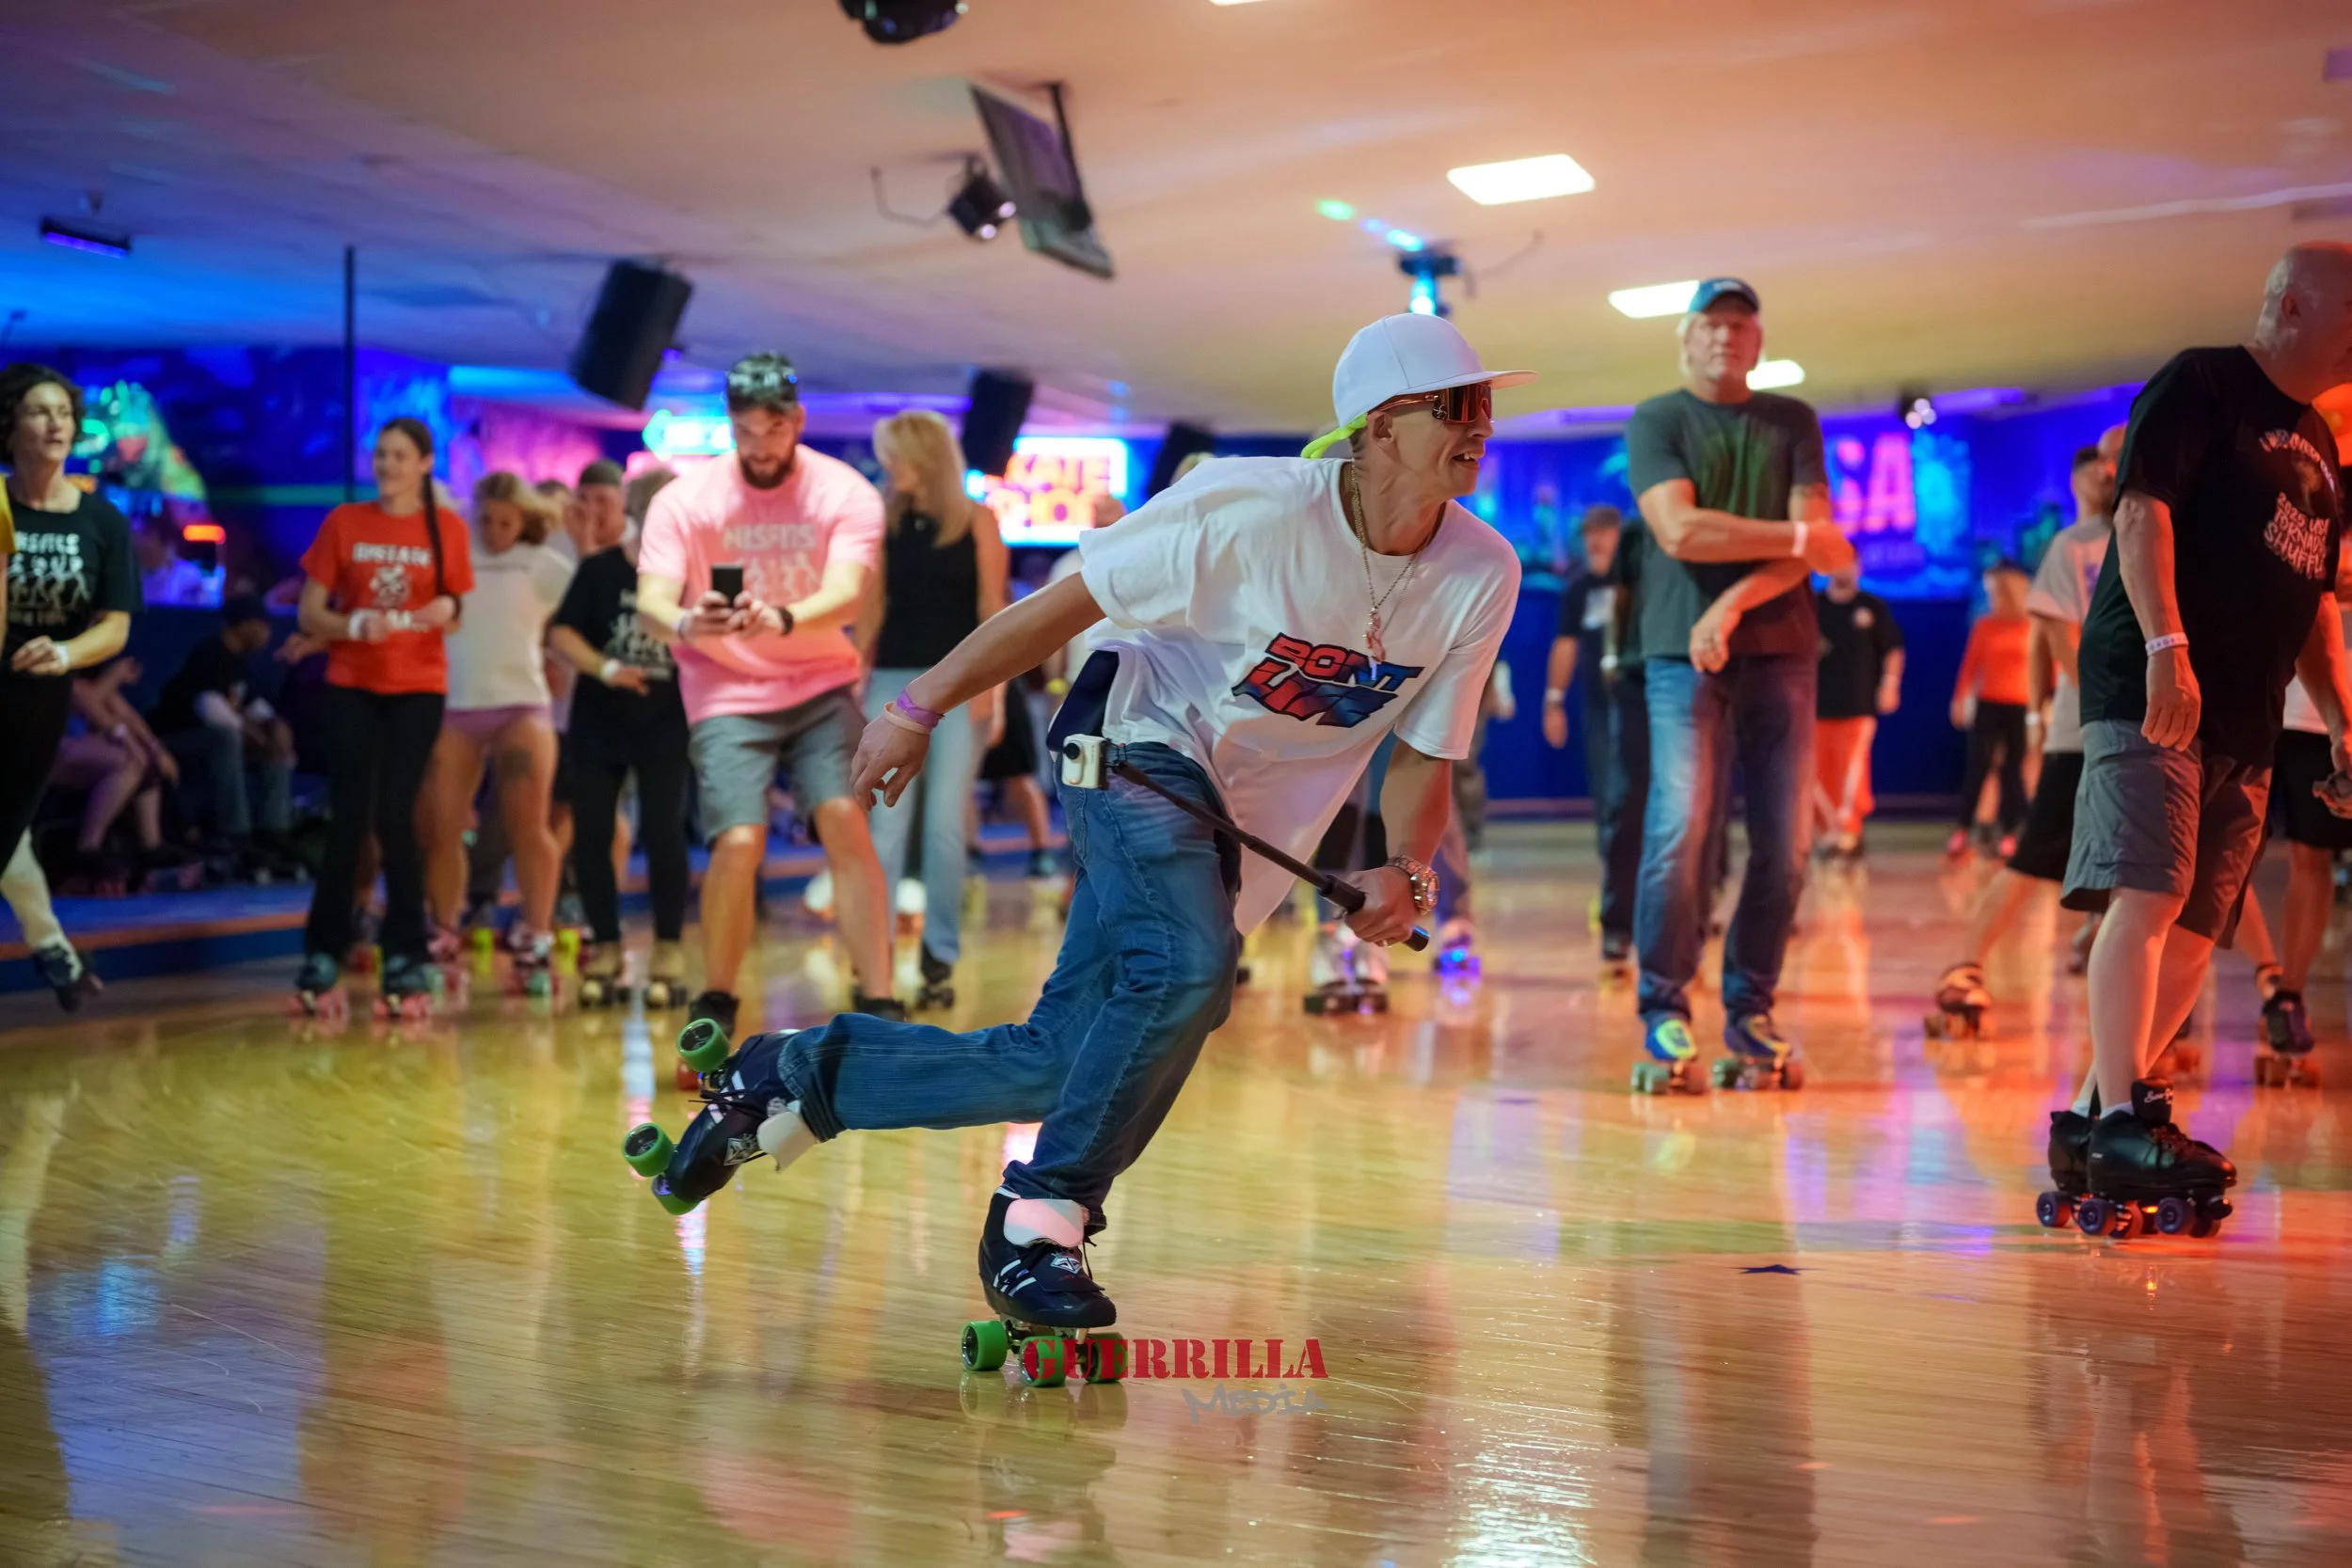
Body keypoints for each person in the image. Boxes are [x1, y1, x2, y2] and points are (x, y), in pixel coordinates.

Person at [631, 313, 1521, 1336]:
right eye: (1450, 404)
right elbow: (1062, 604)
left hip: (1248, 823)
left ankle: (787, 1073)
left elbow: (1422, 751)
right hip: (1135, 738)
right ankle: (1038, 1219)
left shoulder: (1479, 572)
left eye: (1484, 403)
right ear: (1372, 429)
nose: (1477, 422)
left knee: (1069, 1056)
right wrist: (917, 706)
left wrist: (1404, 867)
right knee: (1187, 967)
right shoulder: (1248, 506)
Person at [2055, 242, 2352, 1221]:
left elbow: (2311, 600)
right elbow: (2143, 515)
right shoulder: (2201, 382)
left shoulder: (2318, 444)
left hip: (2249, 708)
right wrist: (2163, 646)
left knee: (2198, 920)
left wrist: (2344, 716)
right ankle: (2117, 1123)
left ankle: (2098, 1111)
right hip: (2153, 686)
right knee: (2145, 890)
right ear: (2292, 307)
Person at [1623, 278, 1856, 1089]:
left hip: (1782, 649)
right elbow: (1678, 527)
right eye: (1711, 324)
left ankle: (1751, 1006)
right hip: (1676, 656)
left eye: (1740, 325)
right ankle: (1664, 1011)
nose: (1726, 336)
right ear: (1686, 337)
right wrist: (1797, 534)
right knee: (1680, 833)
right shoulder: (1657, 419)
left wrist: (1729, 599)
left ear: (1758, 341)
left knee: (1786, 847)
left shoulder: (1792, 420)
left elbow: (1815, 552)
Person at [635, 352, 898, 1034]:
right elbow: (651, 605)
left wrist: (781, 616)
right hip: (725, 686)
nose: (760, 445)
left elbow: (846, 591)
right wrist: (689, 621)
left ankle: (878, 997)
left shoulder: (844, 492)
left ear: (797, 421)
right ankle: (715, 1004)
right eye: (746, 431)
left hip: (820, 681)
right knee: (740, 839)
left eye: (773, 429)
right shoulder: (684, 501)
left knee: (843, 816)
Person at [1930, 435, 2123, 1034]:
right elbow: (2056, 641)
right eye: (2095, 462)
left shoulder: (2160, 535)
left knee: (2138, 868)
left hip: (2146, 730)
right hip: (2085, 729)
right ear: (2079, 479)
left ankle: (2115, 960)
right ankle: (1966, 963)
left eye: (2119, 459)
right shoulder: (2075, 545)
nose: (2108, 471)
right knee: (2037, 853)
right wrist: (2081, 710)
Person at [291, 417, 474, 1021]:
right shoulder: (346, 523)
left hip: (417, 687)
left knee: (397, 815)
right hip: (352, 683)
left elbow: (455, 612)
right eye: (381, 454)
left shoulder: (444, 527)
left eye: (400, 455)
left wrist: (445, 608)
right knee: (350, 817)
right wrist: (352, 625)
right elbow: (310, 612)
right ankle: (324, 948)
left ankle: (405, 950)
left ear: (425, 464)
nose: (387, 464)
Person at [856, 410, 1009, 1009]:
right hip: (891, 680)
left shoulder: (977, 521)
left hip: (957, 684)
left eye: (895, 457)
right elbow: (870, 611)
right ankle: (877, 962)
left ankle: (938, 957)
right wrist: (851, 678)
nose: (889, 469)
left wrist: (991, 699)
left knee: (946, 826)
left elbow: (992, 612)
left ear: (924, 458)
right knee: (884, 824)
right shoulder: (881, 518)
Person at [548, 459, 691, 1007]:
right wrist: (605, 668)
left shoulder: (691, 579)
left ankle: (669, 948)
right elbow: (562, 632)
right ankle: (606, 945)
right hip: (600, 718)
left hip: (664, 720)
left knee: (662, 832)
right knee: (592, 831)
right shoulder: (601, 570)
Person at [421, 472, 572, 983]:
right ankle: (444, 927)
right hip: (457, 709)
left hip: (521, 709)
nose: (493, 529)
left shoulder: (542, 567)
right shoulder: (450, 563)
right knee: (443, 827)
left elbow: (578, 615)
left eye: (505, 521)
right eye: (484, 518)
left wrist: (560, 656)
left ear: (523, 521)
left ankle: (538, 930)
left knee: (529, 827)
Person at [0, 365, 140, 890]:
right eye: (39, 412)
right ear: (11, 427)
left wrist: (63, 653)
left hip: (41, 702)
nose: (56, 425)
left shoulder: (101, 523)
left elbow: (115, 627)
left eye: (64, 413)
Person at [1543, 503, 1644, 960]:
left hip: (1643, 703)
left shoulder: (1639, 579)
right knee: (1610, 803)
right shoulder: (1580, 588)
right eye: (1589, 533)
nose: (1596, 540)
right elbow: (1565, 644)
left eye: (1604, 531)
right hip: (1601, 709)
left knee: (1649, 802)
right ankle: (1617, 902)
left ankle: (1656, 902)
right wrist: (1553, 700)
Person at [152, 593, 298, 876]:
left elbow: (255, 706)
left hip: (216, 743)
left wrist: (276, 728)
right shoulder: (209, 654)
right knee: (228, 737)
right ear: (242, 625)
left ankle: (274, 829)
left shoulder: (242, 661)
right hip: (176, 740)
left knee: (276, 741)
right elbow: (213, 712)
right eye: (261, 624)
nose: (267, 632)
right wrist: (258, 738)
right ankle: (235, 833)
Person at [50, 657, 185, 889]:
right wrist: (113, 678)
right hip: (48, 755)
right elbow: (96, 710)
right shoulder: (69, 683)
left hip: (82, 756)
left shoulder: (101, 690)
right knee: (129, 762)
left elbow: (129, 720)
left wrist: (157, 751)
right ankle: (88, 847)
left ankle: (151, 846)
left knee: (144, 761)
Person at [1811, 563, 1903, 860]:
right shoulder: (1813, 607)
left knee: (1852, 771)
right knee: (1816, 772)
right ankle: (1825, 833)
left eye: (1850, 562)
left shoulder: (1871, 606)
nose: (1845, 569)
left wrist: (1889, 685)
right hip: (1816, 706)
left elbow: (1893, 648)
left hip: (1858, 705)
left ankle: (1850, 832)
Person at [1948, 561, 2034, 857]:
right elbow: (1970, 666)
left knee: (2012, 771)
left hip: (2020, 706)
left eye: (1997, 592)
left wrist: (2043, 708)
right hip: (1988, 704)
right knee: (1978, 767)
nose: (1993, 598)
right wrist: (1959, 699)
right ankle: (1963, 829)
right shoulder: (1985, 625)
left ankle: (2011, 832)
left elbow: (2048, 670)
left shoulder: (2032, 625)